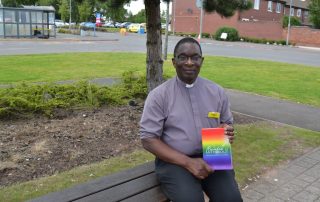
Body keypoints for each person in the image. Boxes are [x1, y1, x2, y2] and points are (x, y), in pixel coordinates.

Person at [140, 37, 242, 202]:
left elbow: (227, 123)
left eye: (195, 57)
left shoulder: (216, 91)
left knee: (231, 199)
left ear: (201, 61)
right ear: (174, 62)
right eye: (183, 57)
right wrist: (188, 162)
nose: (189, 62)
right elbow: (148, 139)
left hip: (213, 155)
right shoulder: (159, 96)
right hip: (174, 161)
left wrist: (226, 130)